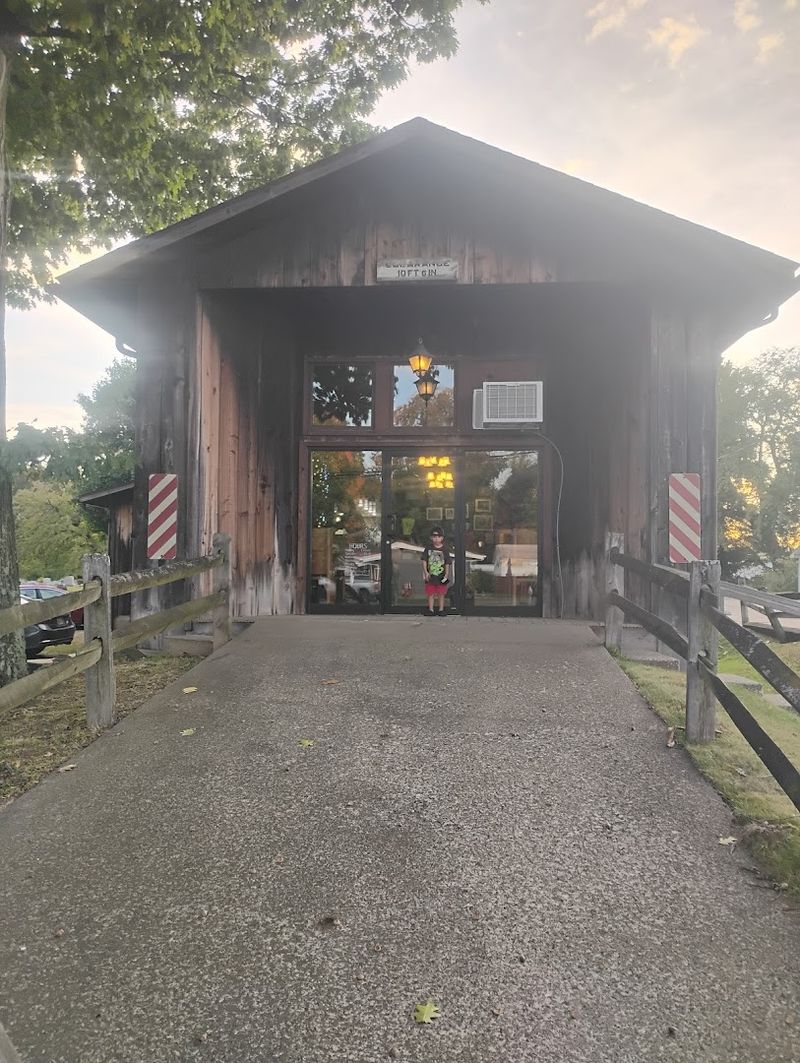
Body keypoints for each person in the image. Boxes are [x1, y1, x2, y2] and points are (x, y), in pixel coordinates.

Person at [421, 527, 451, 616]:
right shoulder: (428, 548)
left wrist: (447, 574)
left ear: (442, 538)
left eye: (438, 536)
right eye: (434, 536)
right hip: (430, 575)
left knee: (441, 593)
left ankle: (441, 609)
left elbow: (447, 563)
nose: (436, 538)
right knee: (430, 593)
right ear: (431, 538)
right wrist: (426, 572)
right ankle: (431, 609)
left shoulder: (445, 550)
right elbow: (424, 560)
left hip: (441, 575)